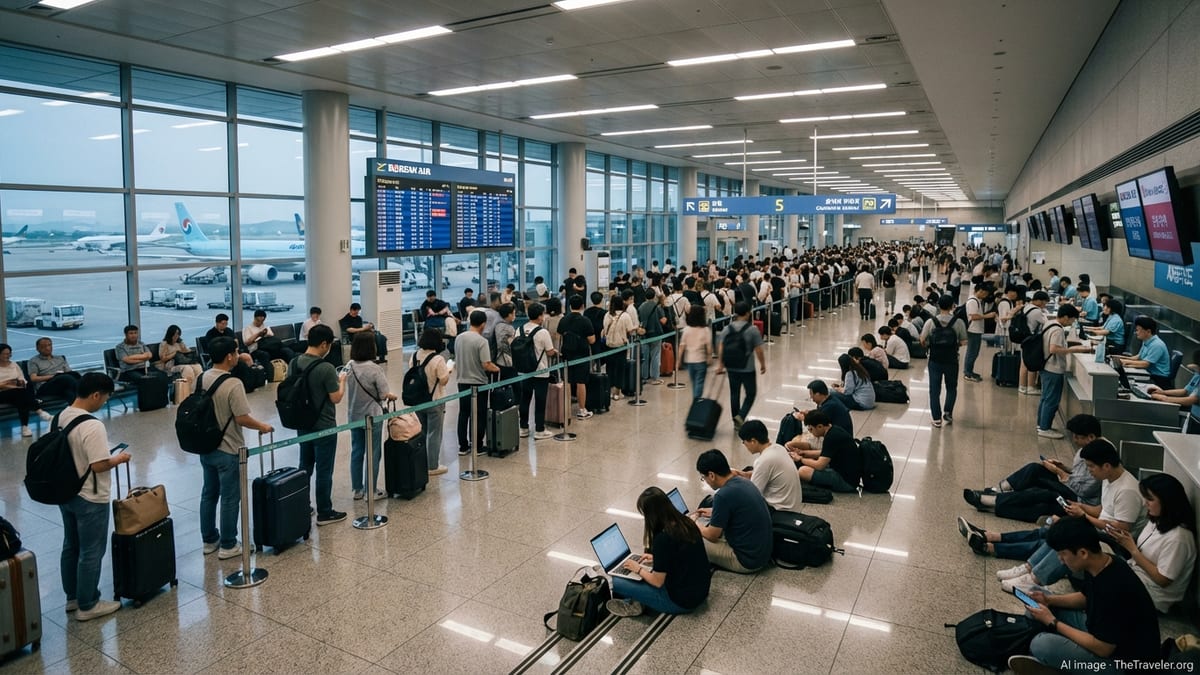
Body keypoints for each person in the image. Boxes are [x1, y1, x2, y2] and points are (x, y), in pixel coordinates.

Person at [962, 439, 1147, 591]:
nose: (1089, 471)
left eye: (1091, 467)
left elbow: (1121, 531)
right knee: (1050, 529)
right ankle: (1017, 558)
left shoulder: (1127, 491)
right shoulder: (1110, 479)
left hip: (1114, 545)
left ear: (1106, 465)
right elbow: (1102, 510)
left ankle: (1034, 577)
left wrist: (1083, 517)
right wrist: (1079, 507)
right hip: (1097, 528)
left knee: (1062, 536)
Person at [1006, 518, 1160, 675]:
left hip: (1123, 664)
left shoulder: (1113, 588)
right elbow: (1085, 597)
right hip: (1101, 634)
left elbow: (1103, 648)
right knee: (1039, 604)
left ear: (1083, 553)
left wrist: (1053, 623)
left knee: (1041, 644)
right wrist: (1049, 600)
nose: (1060, 559)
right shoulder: (1103, 562)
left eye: (1063, 554)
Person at [56, 372, 129, 621]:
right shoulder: (92, 425)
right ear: (96, 394)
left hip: (66, 491)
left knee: (71, 545)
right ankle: (88, 604)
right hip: (90, 494)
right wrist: (118, 458)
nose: (105, 402)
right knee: (91, 550)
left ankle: (73, 597)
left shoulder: (61, 416)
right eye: (106, 398)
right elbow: (99, 465)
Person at [197, 337, 273, 560]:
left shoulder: (202, 377)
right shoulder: (233, 384)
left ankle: (209, 540)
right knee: (230, 497)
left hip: (206, 445)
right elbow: (242, 418)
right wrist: (263, 426)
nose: (239, 354)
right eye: (237, 351)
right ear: (229, 356)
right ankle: (229, 544)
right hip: (229, 448)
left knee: (209, 494)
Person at [962, 414, 1103, 520]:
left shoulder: (1101, 456)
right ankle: (999, 491)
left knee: (1040, 496)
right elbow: (1080, 474)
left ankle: (991, 500)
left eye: (1078, 437)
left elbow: (1084, 489)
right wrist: (1064, 468)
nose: (1075, 440)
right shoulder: (1087, 449)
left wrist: (1059, 472)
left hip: (1078, 497)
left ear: (1090, 437)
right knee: (1034, 469)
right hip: (1070, 485)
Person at [606, 487, 712, 618]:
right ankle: (637, 601)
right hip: (701, 591)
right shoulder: (687, 522)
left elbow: (657, 582)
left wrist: (638, 569)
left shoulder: (662, 538)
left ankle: (636, 604)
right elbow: (681, 556)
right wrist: (657, 559)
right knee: (644, 574)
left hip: (680, 602)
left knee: (615, 581)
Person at [1107, 473, 1197, 613]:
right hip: (1137, 574)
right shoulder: (1157, 520)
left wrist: (1133, 550)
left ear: (1167, 502)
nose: (1145, 503)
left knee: (1103, 580)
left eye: (1150, 499)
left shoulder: (1179, 538)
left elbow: (1163, 580)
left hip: (1155, 595)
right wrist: (1128, 541)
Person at [292, 324, 348, 526]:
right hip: (324, 425)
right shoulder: (326, 368)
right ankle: (325, 511)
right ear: (324, 344)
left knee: (304, 466)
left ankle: (302, 505)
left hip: (302, 423)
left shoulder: (294, 362)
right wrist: (342, 381)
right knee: (324, 470)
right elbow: (335, 398)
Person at [692, 449, 773, 573]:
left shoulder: (723, 495)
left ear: (712, 475)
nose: (706, 482)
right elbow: (739, 510)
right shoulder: (743, 482)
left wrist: (694, 525)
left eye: (704, 478)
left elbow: (712, 535)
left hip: (746, 561)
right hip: (762, 553)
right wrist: (716, 511)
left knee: (690, 539)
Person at [345, 331, 396, 501]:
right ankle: (371, 491)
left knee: (357, 451)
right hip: (372, 416)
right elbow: (383, 394)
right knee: (373, 452)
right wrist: (392, 396)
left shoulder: (349, 365)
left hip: (354, 415)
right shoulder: (375, 369)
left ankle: (357, 489)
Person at [1036, 304, 1091, 439]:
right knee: (1051, 400)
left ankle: (1041, 424)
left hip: (1045, 366)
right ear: (1066, 317)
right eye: (1072, 320)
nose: (1071, 322)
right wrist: (1075, 350)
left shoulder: (1049, 323)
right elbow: (1054, 349)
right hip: (1053, 368)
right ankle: (1044, 428)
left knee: (1045, 398)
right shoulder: (1058, 330)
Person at [715, 301, 767, 430]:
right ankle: (741, 416)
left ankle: (735, 421)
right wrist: (762, 364)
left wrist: (721, 364)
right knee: (751, 393)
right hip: (747, 367)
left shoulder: (727, 328)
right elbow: (759, 349)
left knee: (734, 393)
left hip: (731, 366)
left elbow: (720, 347)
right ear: (748, 313)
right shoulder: (752, 330)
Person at [456, 310, 501, 454]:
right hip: (478, 382)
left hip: (462, 380)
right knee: (479, 414)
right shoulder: (481, 341)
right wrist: (497, 369)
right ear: (483, 324)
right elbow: (486, 364)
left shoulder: (459, 337)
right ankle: (477, 445)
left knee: (464, 413)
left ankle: (463, 446)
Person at [735, 419, 803, 512]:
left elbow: (752, 495)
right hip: (792, 506)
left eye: (744, 442)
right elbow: (767, 474)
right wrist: (744, 474)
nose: (744, 445)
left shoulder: (764, 460)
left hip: (779, 510)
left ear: (753, 441)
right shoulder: (779, 448)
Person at [920, 294, 967, 428]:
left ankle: (936, 418)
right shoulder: (958, 322)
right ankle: (948, 413)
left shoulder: (931, 322)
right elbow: (964, 341)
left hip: (934, 360)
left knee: (934, 390)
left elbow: (922, 340)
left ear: (938, 306)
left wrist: (930, 344)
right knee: (951, 387)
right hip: (951, 360)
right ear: (953, 306)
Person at [793, 409, 861, 493]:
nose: (811, 432)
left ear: (820, 426)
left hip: (846, 482)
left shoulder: (831, 437)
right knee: (809, 464)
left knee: (803, 471)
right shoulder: (834, 430)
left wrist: (800, 459)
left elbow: (820, 465)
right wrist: (804, 453)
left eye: (811, 429)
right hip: (849, 476)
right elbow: (824, 453)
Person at [517, 303, 557, 440]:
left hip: (524, 371)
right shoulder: (542, 332)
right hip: (540, 371)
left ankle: (523, 428)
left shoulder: (519, 329)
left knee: (525, 398)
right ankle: (539, 429)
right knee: (540, 400)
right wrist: (555, 352)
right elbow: (550, 352)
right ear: (540, 316)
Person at [414, 329, 451, 475]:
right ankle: (433, 465)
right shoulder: (438, 359)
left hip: (418, 400)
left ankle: (422, 461)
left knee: (422, 432)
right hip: (435, 399)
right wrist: (448, 370)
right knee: (434, 433)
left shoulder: (415, 355)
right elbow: (443, 380)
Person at [557, 294, 596, 419]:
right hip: (581, 354)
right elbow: (592, 340)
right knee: (581, 382)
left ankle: (566, 409)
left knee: (567, 381)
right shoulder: (585, 320)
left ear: (569, 306)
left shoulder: (563, 320)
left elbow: (559, 337)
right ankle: (582, 409)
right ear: (582, 306)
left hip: (567, 353)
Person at [0, 343, 49, 436]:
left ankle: (25, 427)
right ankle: (38, 410)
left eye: (9, 353)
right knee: (21, 394)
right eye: (5, 354)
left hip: (16, 391)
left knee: (21, 397)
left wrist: (14, 384)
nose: (8, 356)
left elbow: (22, 379)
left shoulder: (14, 365)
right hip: (2, 393)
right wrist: (9, 384)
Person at [1112, 317, 1172, 389]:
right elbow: (1138, 357)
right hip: (1148, 373)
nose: (1136, 332)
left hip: (1158, 379)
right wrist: (1118, 358)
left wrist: (1123, 362)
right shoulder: (1146, 341)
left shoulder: (1157, 345)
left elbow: (1145, 364)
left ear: (1148, 331)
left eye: (1138, 330)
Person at [601, 297, 638, 401]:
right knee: (620, 369)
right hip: (620, 346)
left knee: (610, 368)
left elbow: (604, 328)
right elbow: (630, 331)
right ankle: (617, 393)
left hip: (609, 346)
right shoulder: (625, 316)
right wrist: (636, 328)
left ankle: (610, 391)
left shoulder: (607, 315)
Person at [26, 337, 81, 403]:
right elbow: (33, 378)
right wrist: (54, 376)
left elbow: (69, 372)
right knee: (66, 378)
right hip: (45, 386)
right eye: (44, 346)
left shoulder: (60, 358)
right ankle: (83, 392)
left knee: (73, 378)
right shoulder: (33, 361)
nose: (47, 348)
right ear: (38, 349)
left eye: (49, 345)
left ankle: (75, 410)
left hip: (63, 383)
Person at [1017, 291, 1050, 395]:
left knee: (1024, 364)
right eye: (1045, 302)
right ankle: (1031, 387)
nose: (1045, 305)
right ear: (1039, 301)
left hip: (1024, 338)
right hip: (1032, 339)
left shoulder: (1026, 307)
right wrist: (1044, 312)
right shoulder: (1037, 312)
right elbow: (1046, 323)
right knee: (1032, 363)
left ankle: (1022, 386)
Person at [963, 284, 996, 382]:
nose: (985, 296)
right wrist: (987, 316)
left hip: (976, 330)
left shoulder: (977, 301)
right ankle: (967, 373)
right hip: (973, 330)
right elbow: (973, 316)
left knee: (974, 352)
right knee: (972, 352)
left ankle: (970, 371)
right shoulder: (973, 301)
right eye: (985, 293)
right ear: (980, 291)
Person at [678, 305, 711, 400]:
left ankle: (695, 398)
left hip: (689, 360)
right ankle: (697, 399)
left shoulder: (686, 330)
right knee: (699, 381)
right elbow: (708, 346)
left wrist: (679, 360)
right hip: (701, 360)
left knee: (694, 382)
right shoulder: (705, 330)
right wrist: (709, 357)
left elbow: (682, 346)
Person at [637, 292, 668, 385]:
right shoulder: (657, 307)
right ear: (654, 296)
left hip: (644, 334)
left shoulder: (641, 307)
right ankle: (655, 378)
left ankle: (644, 377)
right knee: (655, 355)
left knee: (645, 356)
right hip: (656, 333)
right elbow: (663, 320)